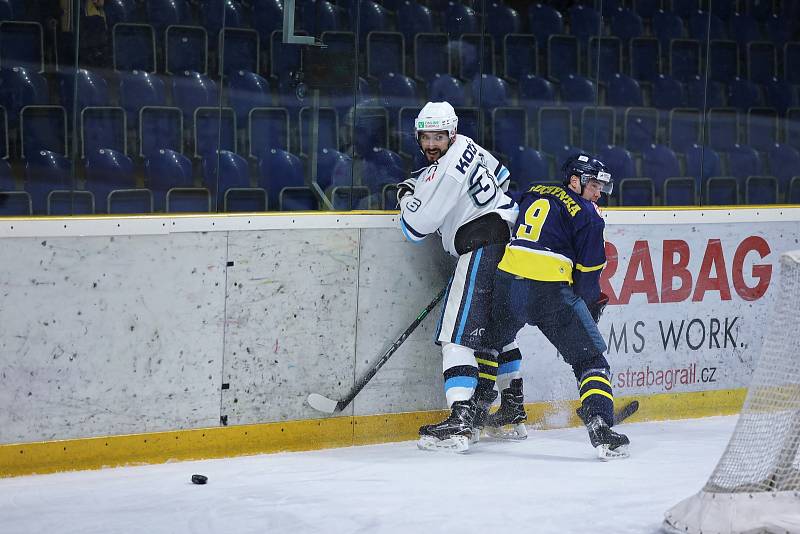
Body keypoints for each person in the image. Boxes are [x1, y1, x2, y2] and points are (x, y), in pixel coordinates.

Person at [396, 101, 522, 452]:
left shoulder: (445, 170)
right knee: (495, 332)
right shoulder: (469, 145)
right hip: (507, 245)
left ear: (450, 133)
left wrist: (407, 195)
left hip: (480, 247)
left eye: (439, 137)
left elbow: (415, 228)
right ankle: (512, 408)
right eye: (426, 137)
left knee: (456, 338)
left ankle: (460, 420)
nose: (432, 144)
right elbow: (503, 177)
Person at [487, 153, 630, 460]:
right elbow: (589, 274)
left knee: (491, 344)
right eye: (592, 185)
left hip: (507, 280)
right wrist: (587, 306)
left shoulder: (535, 189)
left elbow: (504, 203)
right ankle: (600, 426)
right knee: (591, 360)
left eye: (600, 187)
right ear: (574, 180)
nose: (597, 193)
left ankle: (473, 417)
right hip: (548, 290)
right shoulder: (589, 215)